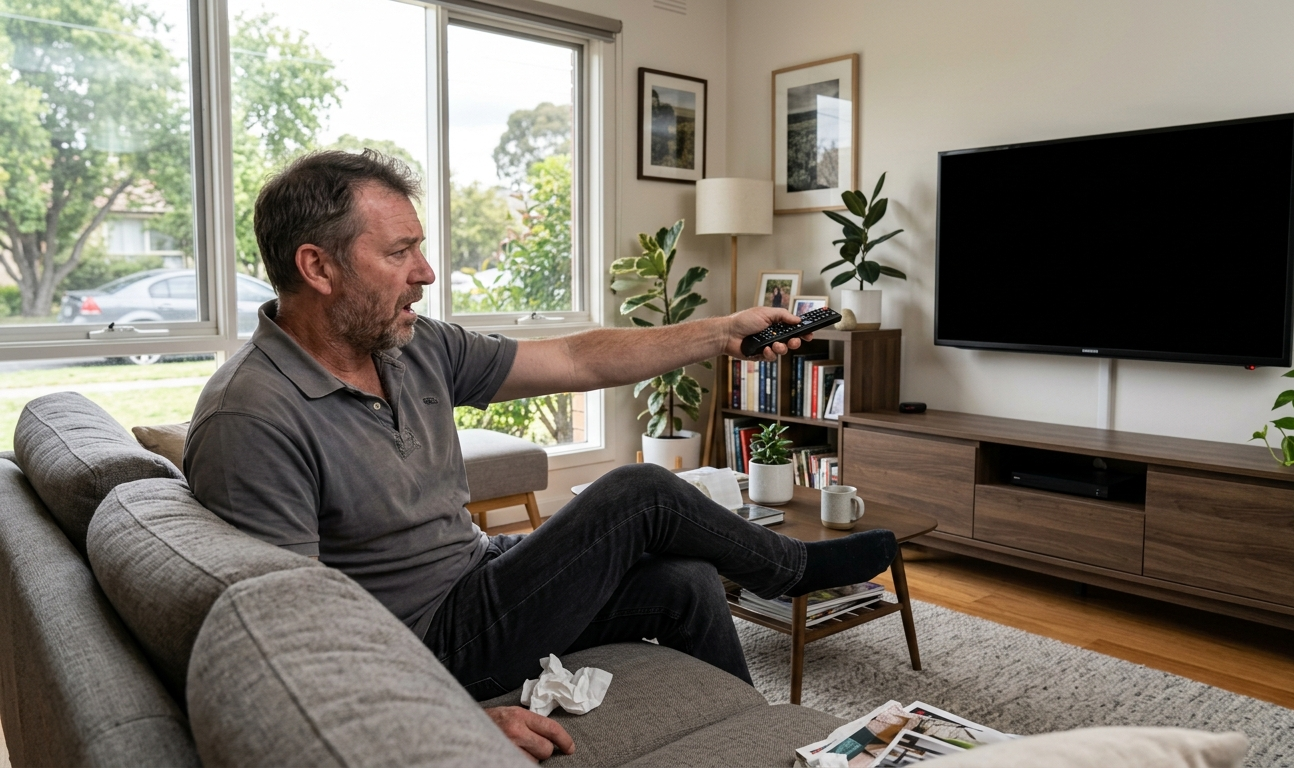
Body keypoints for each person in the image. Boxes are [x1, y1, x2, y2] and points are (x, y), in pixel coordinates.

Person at [184, 150, 896, 762]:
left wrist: (721, 331)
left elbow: (577, 357)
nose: (426, 273)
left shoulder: (411, 347)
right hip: (428, 640)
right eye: (399, 252)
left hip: (476, 574)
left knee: (682, 580)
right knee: (637, 495)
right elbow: (284, 641)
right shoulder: (252, 417)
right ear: (318, 267)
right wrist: (445, 715)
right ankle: (794, 572)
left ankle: (761, 742)